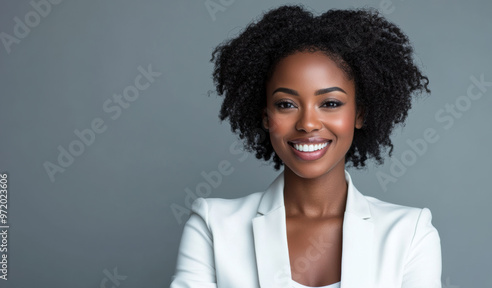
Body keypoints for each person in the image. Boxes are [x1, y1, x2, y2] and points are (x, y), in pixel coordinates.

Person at [170, 4, 442, 288]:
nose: (308, 123)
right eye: (286, 104)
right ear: (266, 116)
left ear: (359, 114)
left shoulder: (410, 233)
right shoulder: (215, 226)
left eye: (330, 103)